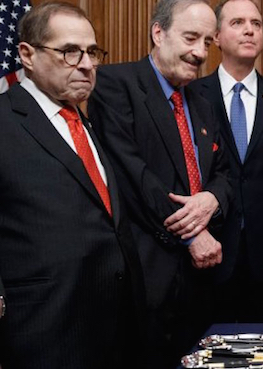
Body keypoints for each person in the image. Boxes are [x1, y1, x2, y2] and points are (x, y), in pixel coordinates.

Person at [87, 0, 234, 366]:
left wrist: (212, 199)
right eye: (190, 38)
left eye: (207, 43)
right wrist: (191, 233)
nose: (201, 52)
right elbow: (131, 174)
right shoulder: (114, 85)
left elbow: (225, 173)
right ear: (158, 32)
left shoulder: (202, 99)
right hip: (147, 274)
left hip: (203, 281)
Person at [0, 2, 144, 368]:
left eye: (92, 52)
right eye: (69, 52)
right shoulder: (4, 120)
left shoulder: (87, 121)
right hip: (42, 332)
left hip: (115, 331)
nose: (86, 64)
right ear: (27, 55)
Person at [189, 0, 263, 323]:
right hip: (209, 251)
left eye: (256, 23)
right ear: (215, 36)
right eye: (238, 22)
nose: (249, 30)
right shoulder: (193, 95)